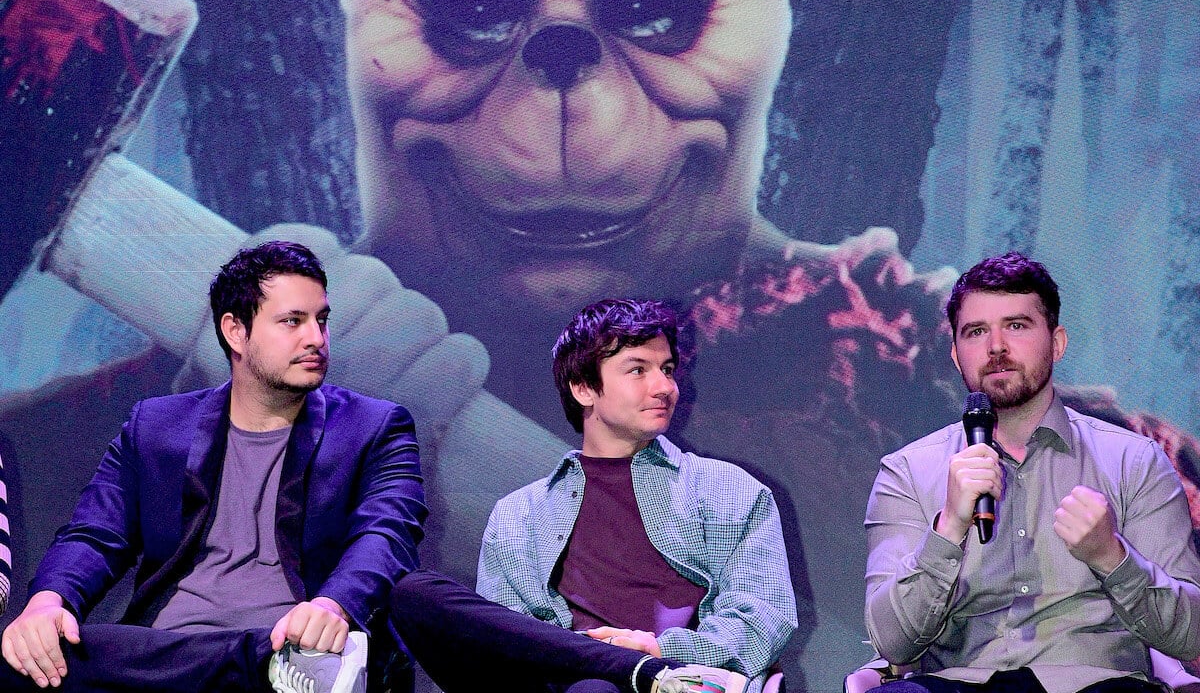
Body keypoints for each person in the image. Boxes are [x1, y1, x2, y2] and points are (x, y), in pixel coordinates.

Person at [0, 241, 426, 693]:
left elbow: (387, 533)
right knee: (26, 657)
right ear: (235, 332)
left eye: (321, 320)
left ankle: (272, 665)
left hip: (296, 646)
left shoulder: (375, 427)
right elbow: (94, 533)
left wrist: (334, 605)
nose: (316, 339)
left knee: (294, 660)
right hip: (163, 654)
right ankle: (254, 664)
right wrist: (47, 603)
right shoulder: (156, 426)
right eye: (292, 322)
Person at [390, 298, 797, 693]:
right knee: (413, 592)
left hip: (681, 678)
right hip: (552, 681)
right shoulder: (519, 514)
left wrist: (658, 649)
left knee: (594, 688)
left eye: (667, 369)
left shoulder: (729, 489)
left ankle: (638, 671)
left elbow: (762, 617)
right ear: (584, 388)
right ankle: (631, 669)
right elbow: (506, 639)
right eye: (638, 370)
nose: (664, 387)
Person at [863, 252, 1200, 693]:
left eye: (1016, 326)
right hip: (958, 683)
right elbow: (892, 645)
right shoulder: (908, 471)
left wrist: (1111, 558)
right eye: (976, 332)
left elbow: (1190, 636)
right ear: (955, 353)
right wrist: (947, 530)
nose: (996, 346)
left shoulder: (1134, 461)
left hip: (1098, 685)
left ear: (1057, 343)